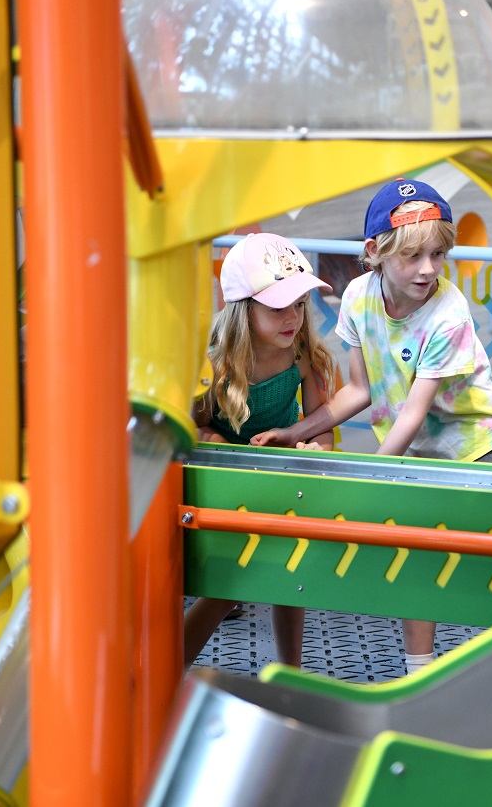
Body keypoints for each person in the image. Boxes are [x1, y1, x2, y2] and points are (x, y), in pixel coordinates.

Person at [252, 179, 492, 674]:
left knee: (485, 573)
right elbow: (359, 390)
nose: (428, 269)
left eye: (438, 254)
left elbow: (413, 412)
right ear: (374, 252)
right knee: (414, 558)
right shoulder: (358, 297)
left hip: (475, 449)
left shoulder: (449, 313)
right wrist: (299, 431)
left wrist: (373, 470)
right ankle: (419, 672)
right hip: (411, 452)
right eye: (413, 257)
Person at [185, 232, 335, 668]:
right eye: (278, 307)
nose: (293, 317)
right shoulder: (214, 362)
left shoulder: (307, 355)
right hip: (226, 483)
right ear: (243, 312)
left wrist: (316, 448)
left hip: (282, 477)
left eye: (300, 304)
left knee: (289, 574)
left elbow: (322, 423)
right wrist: (211, 440)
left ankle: (291, 670)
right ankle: (166, 674)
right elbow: (194, 427)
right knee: (228, 585)